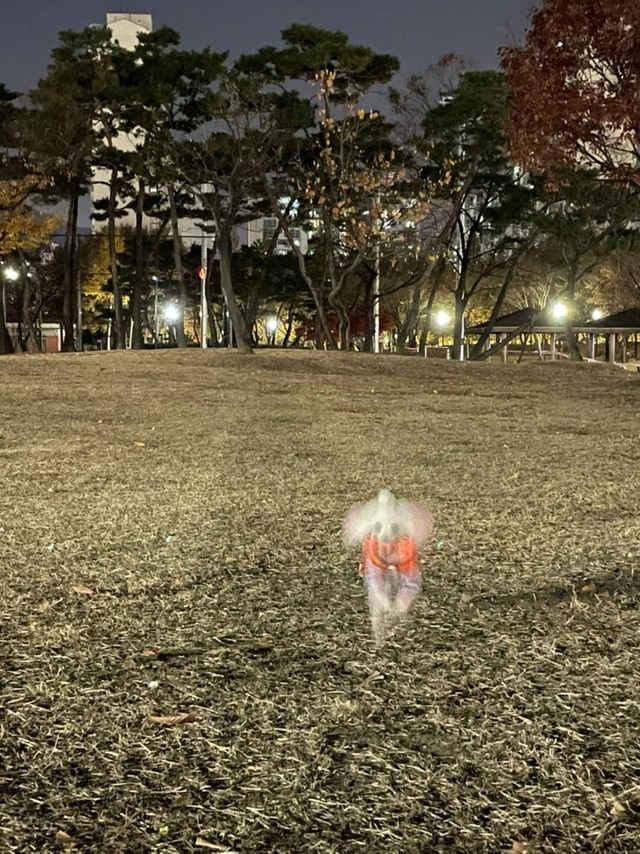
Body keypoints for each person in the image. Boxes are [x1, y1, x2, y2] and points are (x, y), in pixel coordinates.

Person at [343, 488, 433, 642]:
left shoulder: (407, 550)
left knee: (394, 592)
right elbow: (374, 581)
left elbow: (411, 581)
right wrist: (384, 601)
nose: (385, 536)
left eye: (394, 528)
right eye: (378, 527)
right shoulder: (372, 548)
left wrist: (401, 603)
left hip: (400, 558)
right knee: (378, 589)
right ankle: (378, 632)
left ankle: (388, 626)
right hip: (378, 560)